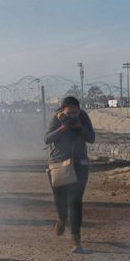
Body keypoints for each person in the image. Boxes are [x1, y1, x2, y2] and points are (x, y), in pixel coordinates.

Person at [44, 96, 95, 252]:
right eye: (69, 113)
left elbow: (91, 138)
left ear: (79, 110)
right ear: (62, 110)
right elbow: (47, 139)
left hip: (79, 164)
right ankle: (61, 218)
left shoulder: (83, 117)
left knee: (75, 201)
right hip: (59, 165)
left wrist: (80, 127)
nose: (72, 116)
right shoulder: (57, 118)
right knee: (60, 198)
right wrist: (62, 128)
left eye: (75, 112)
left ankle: (76, 238)